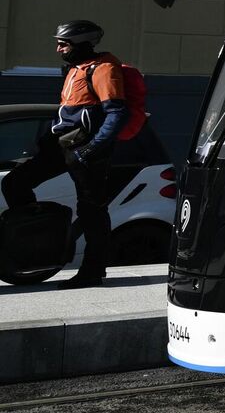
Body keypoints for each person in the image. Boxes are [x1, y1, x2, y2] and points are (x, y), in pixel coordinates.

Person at [0, 21, 131, 287]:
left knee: (91, 209)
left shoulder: (104, 68)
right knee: (15, 182)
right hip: (62, 145)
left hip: (86, 149)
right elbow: (68, 113)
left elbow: (116, 113)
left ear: (82, 43)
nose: (59, 49)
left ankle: (93, 272)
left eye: (64, 44)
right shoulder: (75, 68)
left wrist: (93, 148)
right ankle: (35, 241)